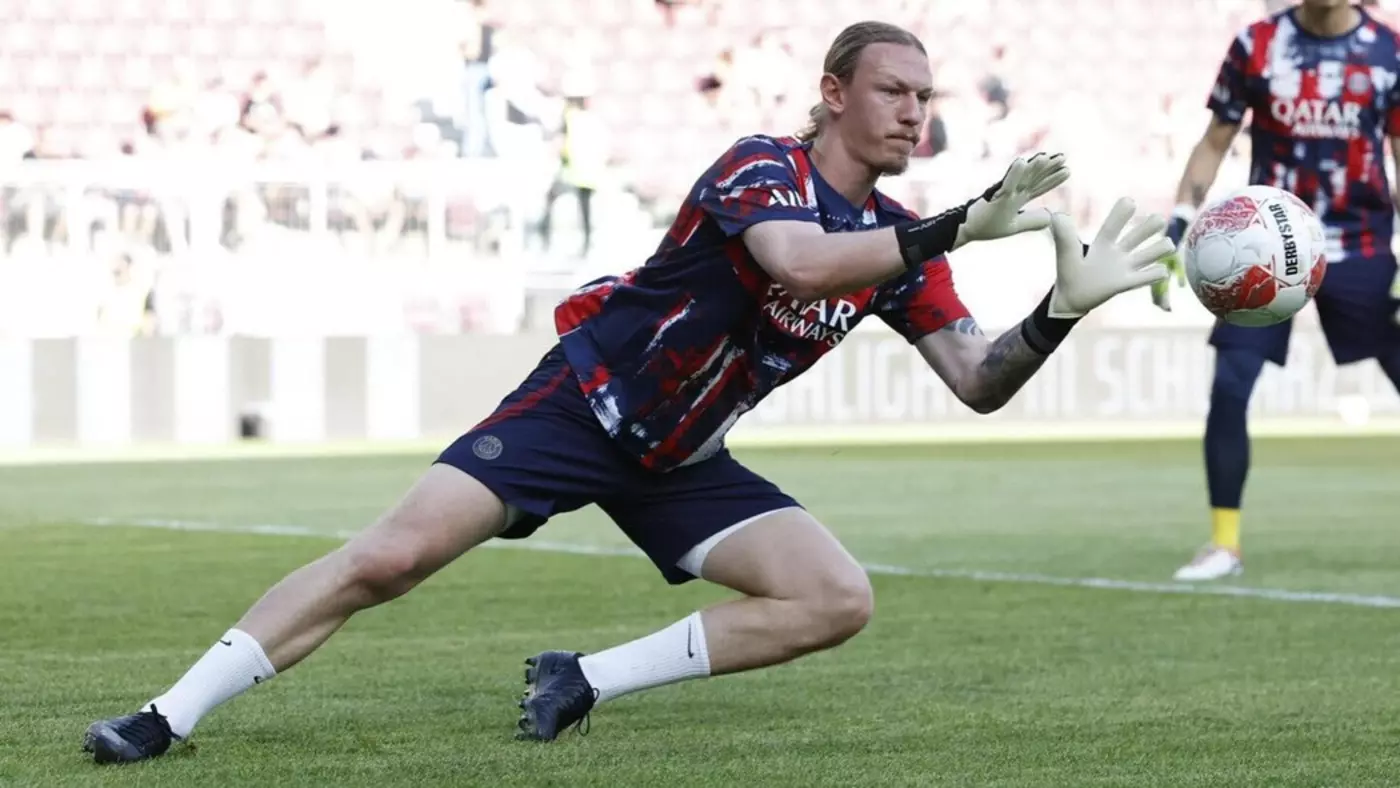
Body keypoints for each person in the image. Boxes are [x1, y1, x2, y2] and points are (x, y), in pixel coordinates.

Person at [84, 21, 1171, 763]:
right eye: (892, 90)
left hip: (683, 459)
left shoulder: (899, 245)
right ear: (833, 94)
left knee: (836, 598)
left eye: (924, 97)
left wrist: (1056, 314)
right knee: (389, 559)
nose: (912, 112)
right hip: (582, 405)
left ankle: (584, 677)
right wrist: (951, 226)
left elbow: (977, 380)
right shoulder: (764, 166)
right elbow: (798, 264)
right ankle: (164, 715)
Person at [1154, 0, 1400, 581]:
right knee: (1231, 384)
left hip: (1360, 242)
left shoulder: (1390, 51)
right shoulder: (1256, 45)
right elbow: (1215, 140)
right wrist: (1179, 221)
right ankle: (1224, 545)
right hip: (1267, 245)